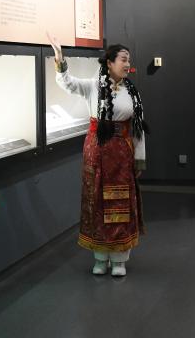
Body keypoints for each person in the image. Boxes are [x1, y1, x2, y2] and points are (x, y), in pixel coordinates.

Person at [49, 35, 148, 277]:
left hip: (122, 155)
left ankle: (119, 259)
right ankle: (100, 258)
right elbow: (68, 83)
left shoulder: (132, 93)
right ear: (110, 63)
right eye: (123, 59)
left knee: (119, 202)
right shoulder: (93, 86)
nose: (127, 64)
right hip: (97, 151)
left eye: (128, 60)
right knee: (97, 202)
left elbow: (138, 129)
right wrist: (60, 59)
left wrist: (139, 158)